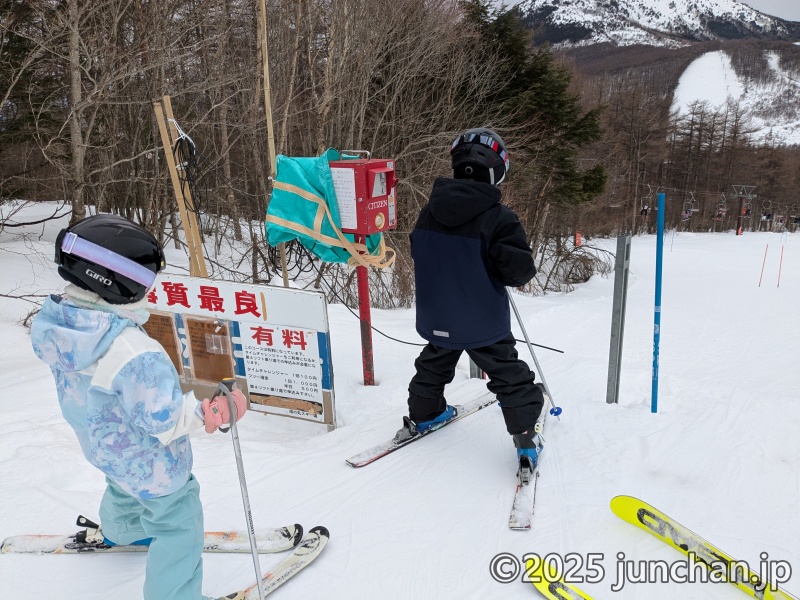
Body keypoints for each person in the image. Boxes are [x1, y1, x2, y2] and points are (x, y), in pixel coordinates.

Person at [30, 214, 246, 600]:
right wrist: (213, 411)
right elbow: (161, 419)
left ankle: (122, 529)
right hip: (154, 464)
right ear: (120, 284)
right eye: (146, 280)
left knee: (123, 485)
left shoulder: (58, 326)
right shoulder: (132, 350)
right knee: (180, 523)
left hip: (105, 445)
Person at [399, 127, 545, 476]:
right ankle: (525, 438)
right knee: (507, 373)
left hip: (438, 315)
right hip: (480, 319)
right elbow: (519, 272)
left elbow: (418, 250)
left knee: (434, 361)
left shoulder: (429, 211)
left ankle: (425, 413)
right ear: (496, 170)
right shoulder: (499, 217)